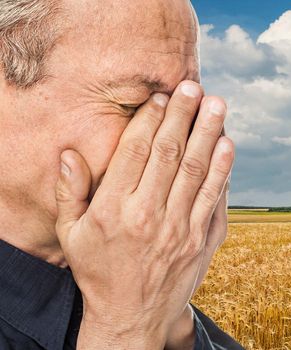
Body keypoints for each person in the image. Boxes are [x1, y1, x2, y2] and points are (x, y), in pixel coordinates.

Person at [0, 0, 243, 349]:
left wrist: (173, 320)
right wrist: (124, 330)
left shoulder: (149, 289)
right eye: (134, 104)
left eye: (188, 108)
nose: (180, 140)